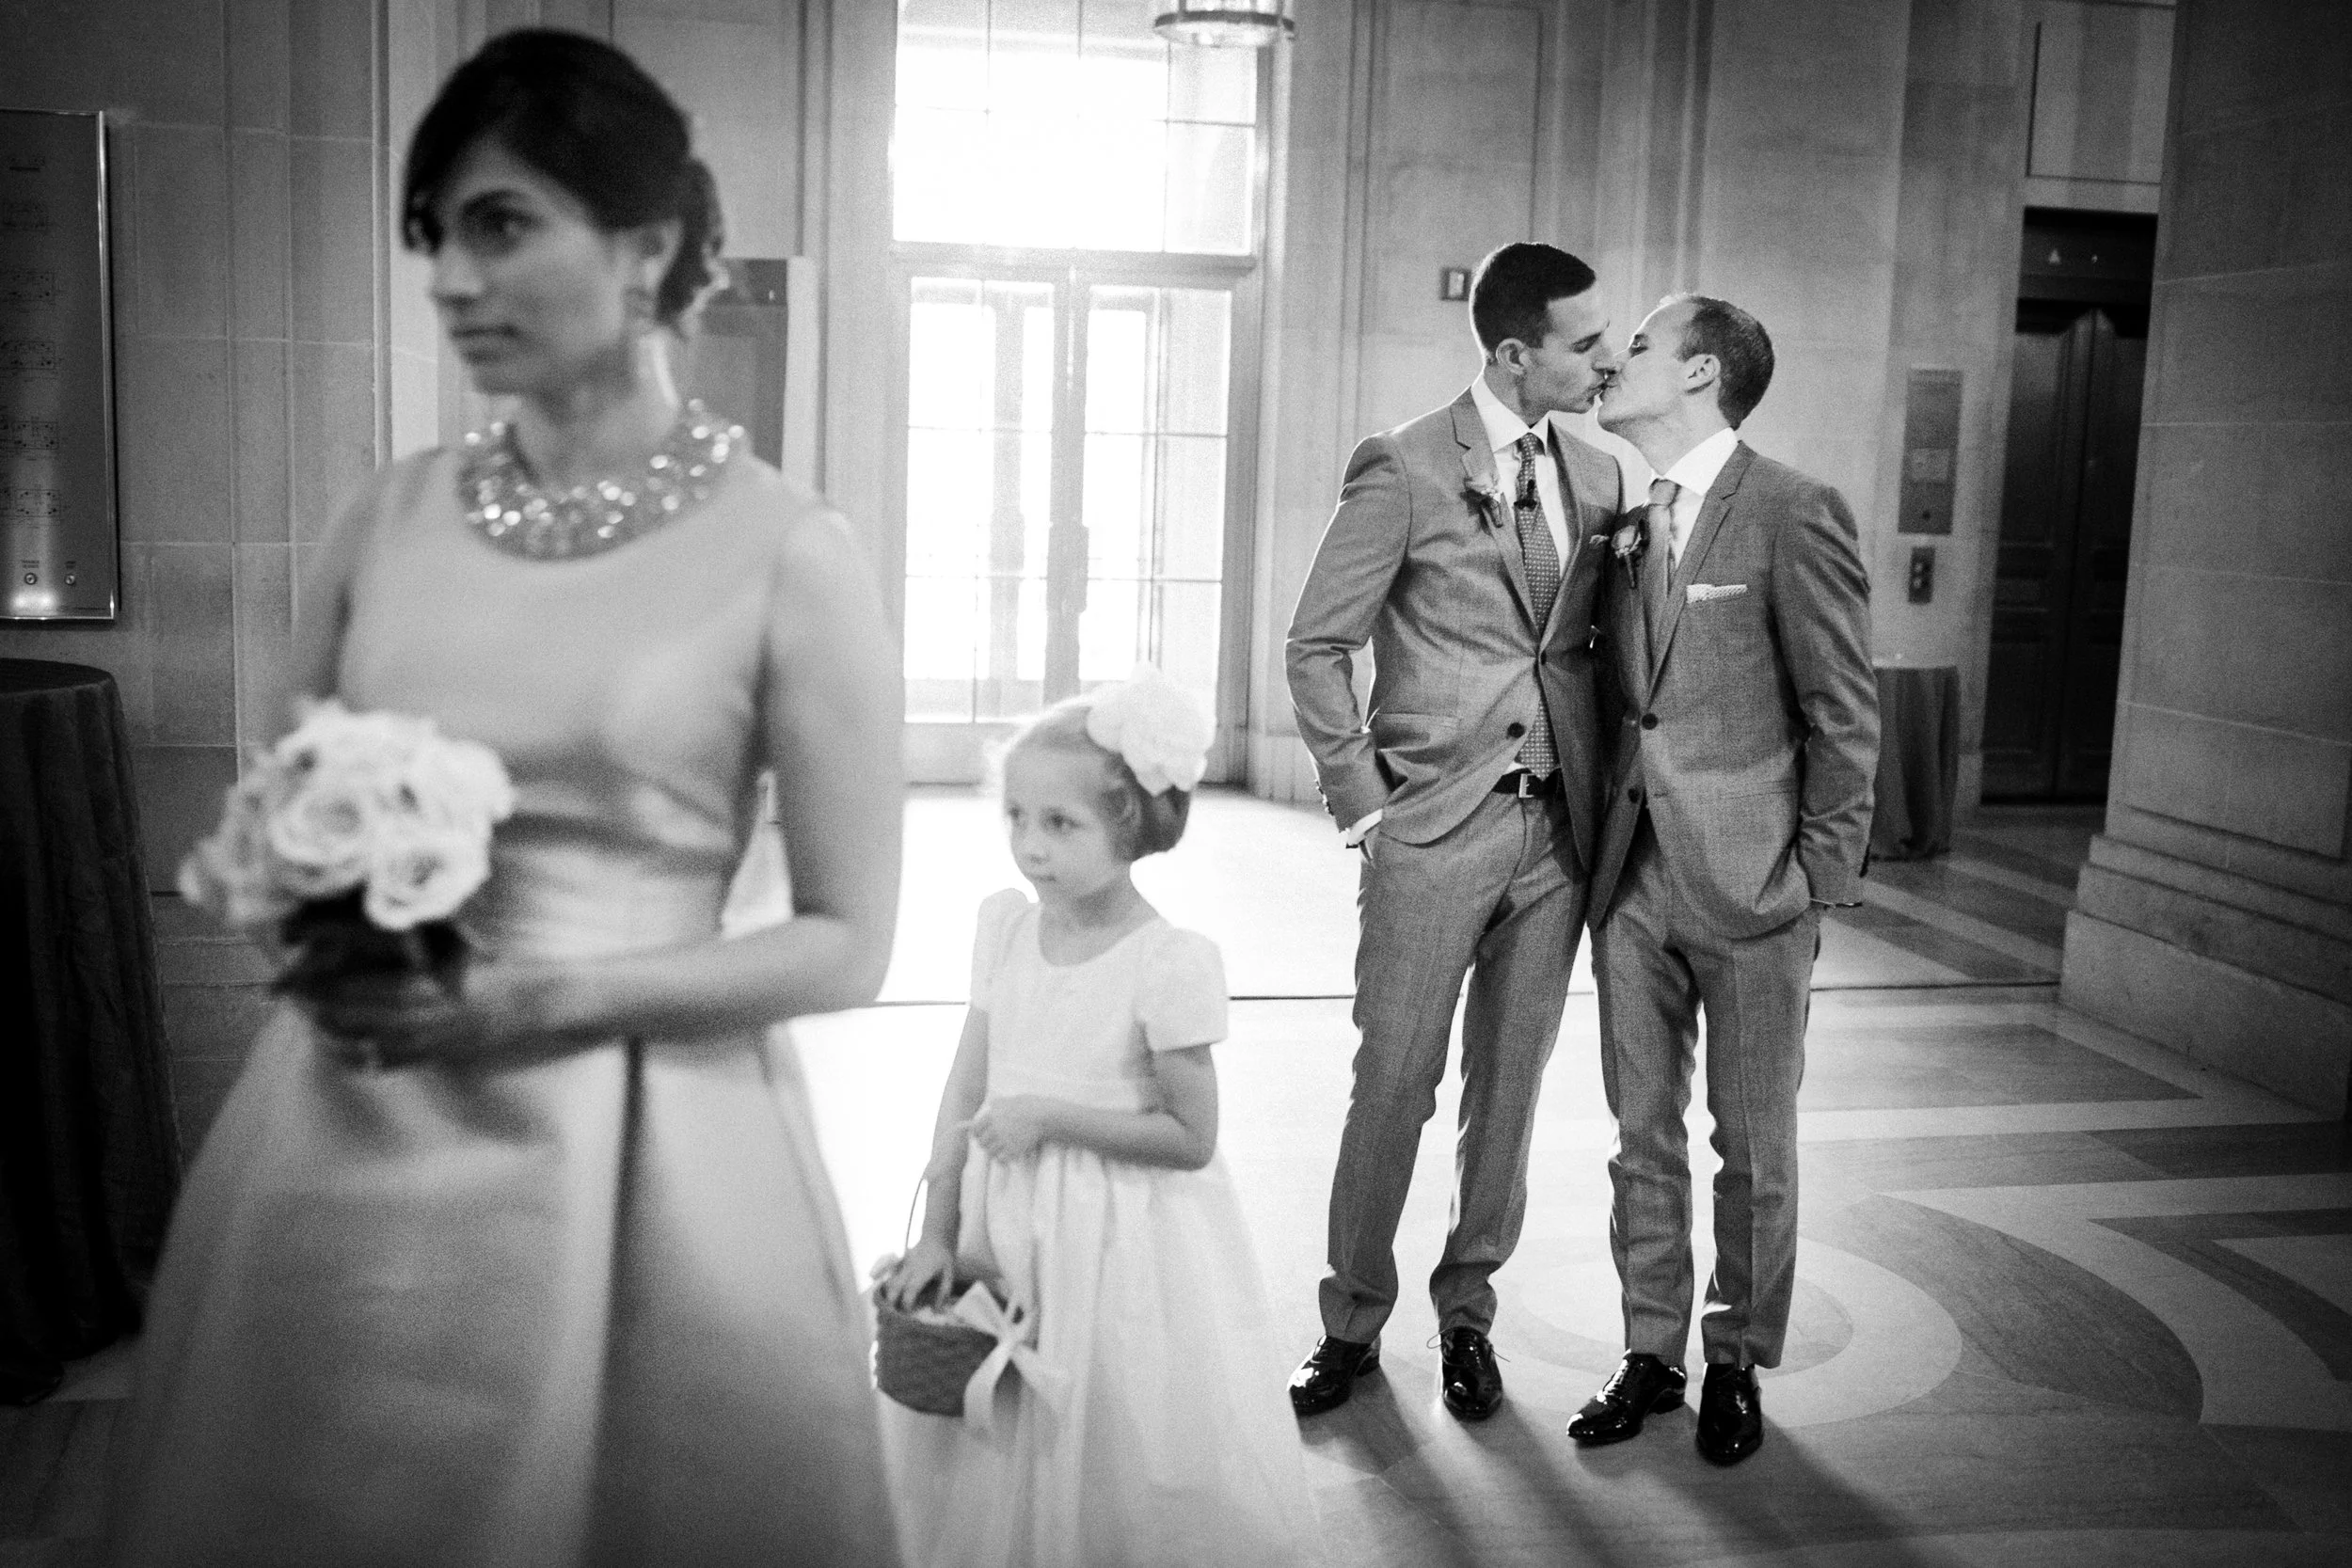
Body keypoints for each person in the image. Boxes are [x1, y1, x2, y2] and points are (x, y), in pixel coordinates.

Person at [103, 31, 904, 1566]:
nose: (454, 281)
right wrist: (324, 939)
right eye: (436, 237)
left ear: (649, 245)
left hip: (652, 1148)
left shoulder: (791, 555)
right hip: (352, 1128)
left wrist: (535, 997)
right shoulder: (383, 520)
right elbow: (275, 822)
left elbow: (850, 944)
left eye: (501, 224)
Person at [1282, 243, 1625, 1421]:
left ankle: (1467, 1312)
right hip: (1432, 826)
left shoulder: (1600, 473)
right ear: (1513, 351)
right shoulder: (1405, 465)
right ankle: (1349, 1321)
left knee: (1509, 1090)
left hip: (1557, 840)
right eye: (1585, 342)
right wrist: (1363, 803)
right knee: (1394, 1078)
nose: (1606, 357)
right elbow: (1315, 642)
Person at [877, 670, 1312, 1568]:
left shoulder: (1169, 962)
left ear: (1133, 823)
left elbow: (1191, 1141)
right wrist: (940, 1228)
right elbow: (964, 1088)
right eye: (1017, 818)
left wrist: (1051, 1118)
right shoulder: (1004, 929)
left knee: (1109, 1421)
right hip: (1007, 1227)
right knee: (998, 1419)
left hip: (1118, 1248)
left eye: (1060, 823)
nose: (1030, 847)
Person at [1570, 294, 1877, 1465]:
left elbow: (1844, 710)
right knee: (1636, 1133)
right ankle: (1650, 1348)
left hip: (1755, 887)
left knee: (1751, 1142)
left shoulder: (1793, 510)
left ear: (1698, 372)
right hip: (1629, 880)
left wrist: (1815, 882)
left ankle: (1736, 1355)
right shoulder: (1624, 519)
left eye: (1637, 345)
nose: (1612, 359)